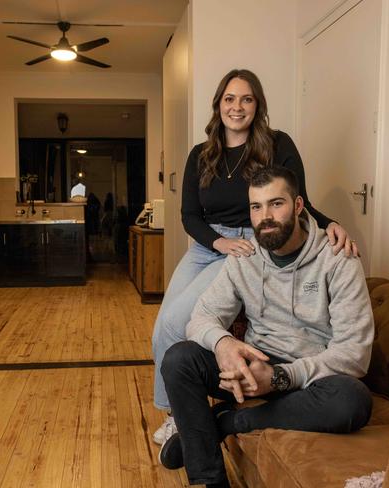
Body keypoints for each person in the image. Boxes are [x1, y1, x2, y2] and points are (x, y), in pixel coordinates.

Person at [151, 69, 359, 444]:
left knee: (183, 321)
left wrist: (332, 225)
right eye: (229, 99)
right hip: (209, 245)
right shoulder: (202, 154)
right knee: (166, 323)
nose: (237, 107)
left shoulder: (277, 144)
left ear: (257, 105)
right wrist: (218, 243)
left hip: (255, 242)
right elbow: (189, 216)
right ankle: (176, 414)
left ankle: (191, 422)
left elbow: (300, 202)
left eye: (247, 99)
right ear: (218, 105)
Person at [158, 166, 374, 488]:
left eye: (276, 204)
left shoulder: (338, 259)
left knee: (352, 399)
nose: (265, 217)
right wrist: (224, 345)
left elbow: (354, 354)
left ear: (299, 205)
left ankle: (226, 423)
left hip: (308, 375)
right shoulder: (244, 257)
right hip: (253, 363)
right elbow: (201, 317)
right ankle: (209, 481)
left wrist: (277, 378)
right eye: (256, 207)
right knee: (178, 359)